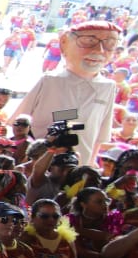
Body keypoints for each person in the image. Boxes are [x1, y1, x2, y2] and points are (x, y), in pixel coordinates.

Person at [11, 21, 120, 167]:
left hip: (80, 161)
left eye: (109, 44)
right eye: (89, 41)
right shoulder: (51, 80)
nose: (99, 50)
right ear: (64, 43)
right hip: (40, 159)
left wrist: (90, 162)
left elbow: (101, 133)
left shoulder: (108, 87)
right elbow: (21, 120)